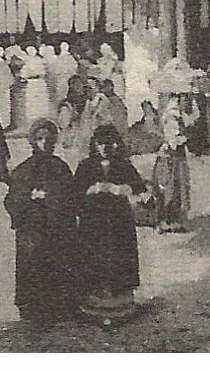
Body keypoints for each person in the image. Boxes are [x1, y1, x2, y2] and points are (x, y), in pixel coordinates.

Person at [4, 119, 79, 327]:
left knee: (58, 262)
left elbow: (71, 197)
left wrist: (51, 196)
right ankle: (32, 308)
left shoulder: (61, 168)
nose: (44, 143)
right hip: (32, 229)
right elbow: (11, 200)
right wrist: (30, 197)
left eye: (48, 139)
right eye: (39, 139)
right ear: (33, 141)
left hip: (57, 227)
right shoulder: (23, 169)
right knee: (33, 263)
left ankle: (60, 306)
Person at [74, 124, 148, 318]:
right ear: (94, 145)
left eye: (109, 143)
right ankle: (94, 297)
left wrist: (123, 189)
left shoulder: (123, 165)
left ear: (116, 144)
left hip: (118, 220)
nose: (105, 148)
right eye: (101, 143)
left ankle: (120, 297)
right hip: (94, 221)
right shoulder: (85, 166)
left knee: (119, 254)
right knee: (95, 254)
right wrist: (93, 189)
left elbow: (141, 189)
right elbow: (74, 194)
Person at [153, 95, 195, 233]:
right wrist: (185, 137)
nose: (187, 103)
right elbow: (173, 141)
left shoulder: (178, 115)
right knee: (171, 187)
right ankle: (167, 220)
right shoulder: (172, 117)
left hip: (176, 157)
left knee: (178, 187)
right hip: (171, 157)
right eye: (184, 100)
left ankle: (174, 218)